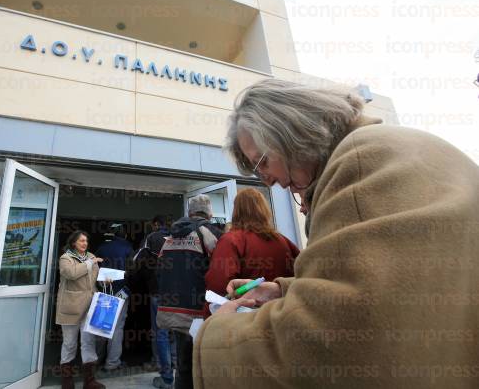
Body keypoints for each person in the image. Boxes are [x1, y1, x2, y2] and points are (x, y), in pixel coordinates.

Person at [192, 79, 479, 388]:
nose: (269, 182)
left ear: (289, 131)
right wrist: (283, 290)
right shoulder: (398, 147)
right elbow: (394, 286)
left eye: (262, 163)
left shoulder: (358, 162)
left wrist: (217, 336)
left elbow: (337, 338)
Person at [156, 195, 222, 389]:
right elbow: (220, 270)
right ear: (209, 213)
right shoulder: (210, 232)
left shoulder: (170, 236)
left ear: (190, 212)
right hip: (201, 311)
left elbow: (160, 270)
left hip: (174, 310)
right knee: (206, 365)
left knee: (184, 365)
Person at [204, 188, 299, 314]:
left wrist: (208, 319)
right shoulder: (284, 241)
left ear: (236, 211)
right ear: (264, 211)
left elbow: (218, 286)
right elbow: (304, 277)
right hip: (283, 316)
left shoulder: (231, 240)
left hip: (246, 321)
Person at [128, 215, 176, 389]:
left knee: (161, 333)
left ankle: (167, 377)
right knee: (176, 330)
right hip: (179, 293)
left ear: (156, 224)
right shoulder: (181, 237)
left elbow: (135, 262)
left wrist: (130, 279)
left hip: (158, 291)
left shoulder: (151, 238)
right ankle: (176, 366)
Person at [56, 231, 105, 389]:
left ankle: (89, 381)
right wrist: (90, 263)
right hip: (71, 307)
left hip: (90, 306)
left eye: (86, 241)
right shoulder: (66, 258)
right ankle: (66, 381)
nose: (85, 243)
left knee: (88, 343)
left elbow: (96, 278)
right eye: (81, 241)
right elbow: (71, 273)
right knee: (69, 344)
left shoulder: (91, 256)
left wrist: (105, 279)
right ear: (73, 243)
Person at [95, 223, 134, 371]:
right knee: (117, 328)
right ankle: (112, 363)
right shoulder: (128, 248)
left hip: (104, 290)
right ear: (124, 234)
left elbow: (94, 268)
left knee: (101, 326)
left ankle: (96, 360)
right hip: (121, 291)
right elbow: (133, 270)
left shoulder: (102, 247)